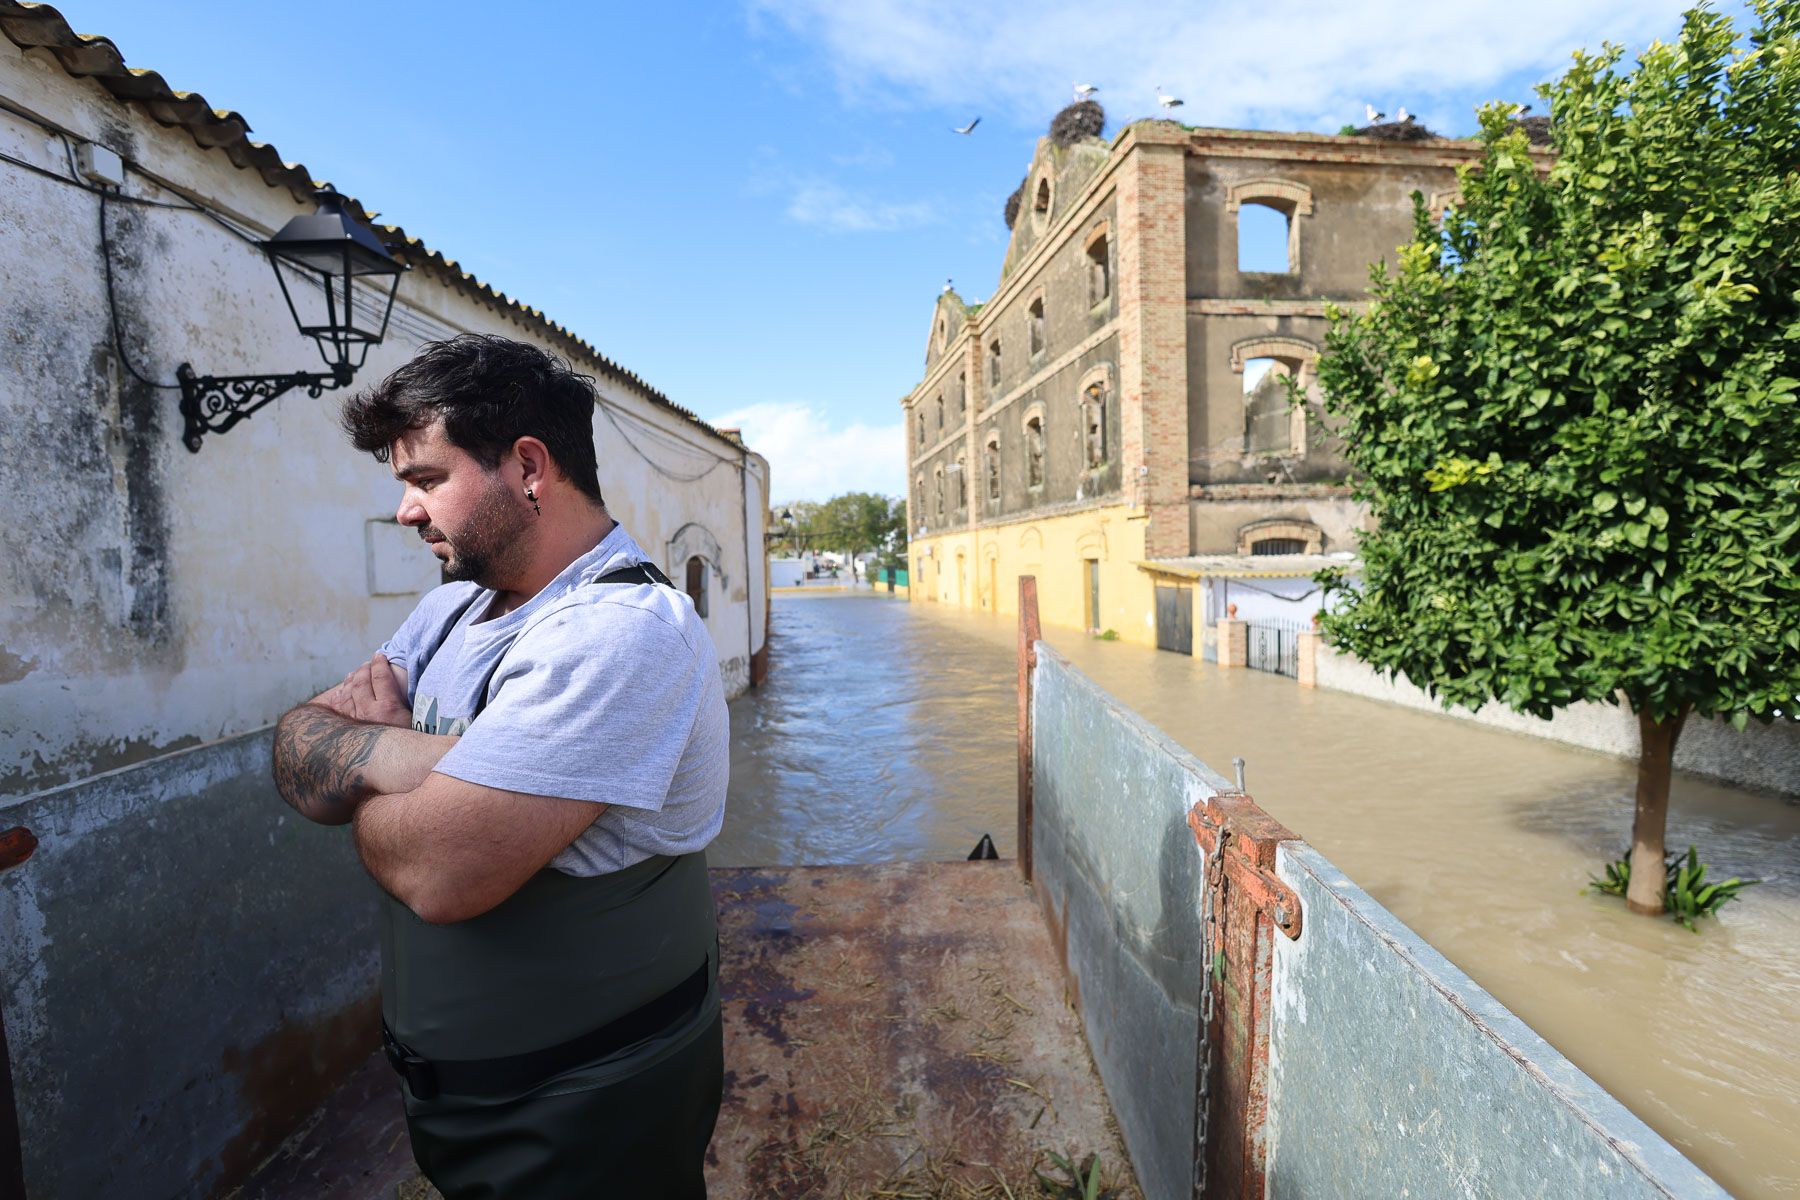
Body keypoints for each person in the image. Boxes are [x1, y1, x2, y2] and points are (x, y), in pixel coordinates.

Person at [270, 334, 729, 1198]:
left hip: (586, 1112)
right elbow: (294, 744)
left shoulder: (620, 634)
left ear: (528, 467)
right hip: (474, 1106)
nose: (407, 511)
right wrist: (447, 767)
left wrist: (369, 771)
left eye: (427, 479)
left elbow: (436, 872)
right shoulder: (449, 610)